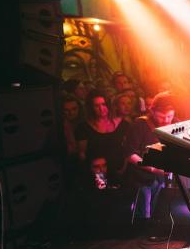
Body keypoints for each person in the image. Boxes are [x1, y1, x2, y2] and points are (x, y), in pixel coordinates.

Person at [124, 92, 176, 222]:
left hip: (160, 180)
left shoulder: (175, 125)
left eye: (169, 116)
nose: (166, 120)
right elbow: (130, 154)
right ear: (151, 111)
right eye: (162, 116)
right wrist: (153, 169)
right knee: (144, 217)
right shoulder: (140, 125)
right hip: (141, 179)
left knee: (157, 216)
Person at [75, 90, 128, 179]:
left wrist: (124, 168)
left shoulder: (123, 124)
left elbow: (127, 149)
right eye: (96, 106)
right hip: (98, 172)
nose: (101, 108)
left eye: (103, 104)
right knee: (102, 191)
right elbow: (82, 154)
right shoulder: (83, 127)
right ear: (91, 108)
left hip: (119, 169)